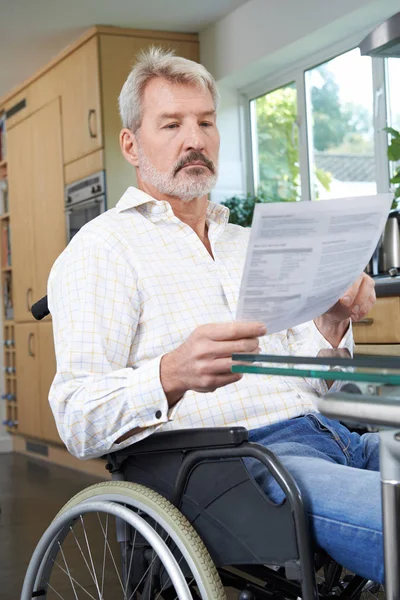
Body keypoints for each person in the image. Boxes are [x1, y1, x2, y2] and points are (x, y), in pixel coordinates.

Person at [48, 47, 382, 584]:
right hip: (236, 466)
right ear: (131, 144)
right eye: (172, 124)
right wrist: (170, 374)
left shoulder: (252, 244)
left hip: (334, 438)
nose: (195, 139)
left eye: (205, 121)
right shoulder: (102, 249)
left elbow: (317, 388)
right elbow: (77, 420)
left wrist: (331, 327)